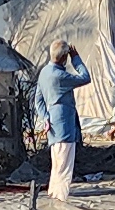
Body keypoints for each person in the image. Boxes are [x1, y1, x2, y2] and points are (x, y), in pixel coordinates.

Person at [35, 44, 89, 198]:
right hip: (64, 124)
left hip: (53, 123)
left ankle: (53, 195)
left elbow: (38, 100)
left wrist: (45, 117)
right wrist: (76, 59)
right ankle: (60, 198)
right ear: (64, 57)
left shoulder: (45, 72)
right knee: (64, 167)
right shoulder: (60, 76)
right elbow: (85, 77)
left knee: (57, 165)